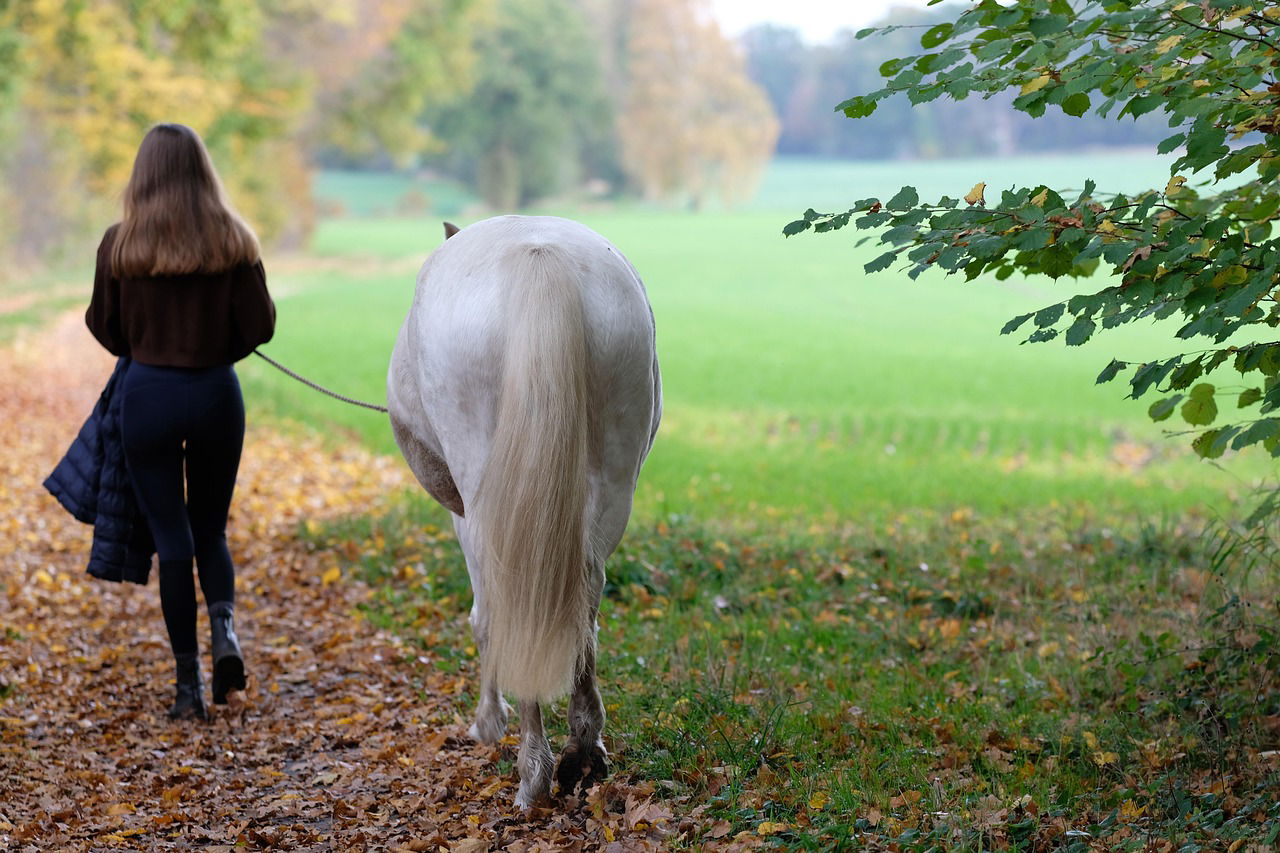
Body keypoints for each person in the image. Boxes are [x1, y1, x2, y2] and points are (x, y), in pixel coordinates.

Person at [85, 123, 276, 720]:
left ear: (143, 173)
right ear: (202, 171)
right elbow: (261, 327)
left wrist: (146, 348)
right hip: (217, 393)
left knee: (173, 541)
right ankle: (226, 632)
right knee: (211, 531)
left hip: (148, 396)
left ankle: (188, 686)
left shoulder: (120, 244)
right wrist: (214, 349)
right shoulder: (233, 239)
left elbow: (103, 325)